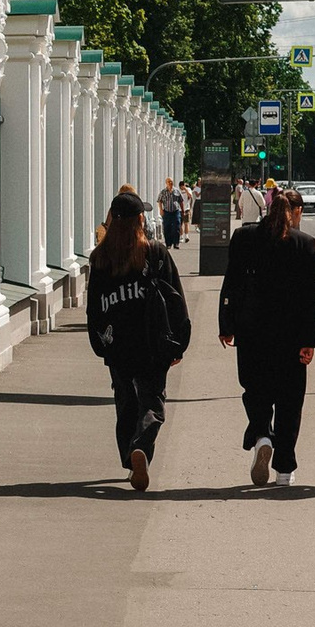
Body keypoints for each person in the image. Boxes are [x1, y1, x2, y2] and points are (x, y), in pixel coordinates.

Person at [85, 190, 192, 492]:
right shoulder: (155, 252)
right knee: (153, 402)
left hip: (118, 343)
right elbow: (175, 298)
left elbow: (94, 307)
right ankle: (142, 446)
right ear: (138, 221)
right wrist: (179, 341)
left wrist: (99, 342)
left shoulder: (100, 258)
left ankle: (131, 459)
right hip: (153, 340)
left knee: (125, 403)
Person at [218, 185, 315, 486]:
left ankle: (262, 435)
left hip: (251, 331)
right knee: (290, 401)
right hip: (291, 335)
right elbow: (309, 299)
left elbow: (231, 284)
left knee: (255, 389)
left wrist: (226, 325)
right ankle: (285, 469)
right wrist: (309, 342)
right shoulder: (305, 244)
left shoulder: (244, 237)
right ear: (296, 212)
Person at [158, 176, 186, 248]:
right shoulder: (163, 192)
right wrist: (161, 210)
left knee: (176, 227)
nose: (170, 183)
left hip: (175, 211)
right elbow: (159, 201)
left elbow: (181, 201)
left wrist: (183, 211)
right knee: (167, 227)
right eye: (169, 182)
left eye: (171, 181)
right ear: (166, 183)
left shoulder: (177, 191)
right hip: (167, 212)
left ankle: (176, 243)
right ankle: (168, 244)